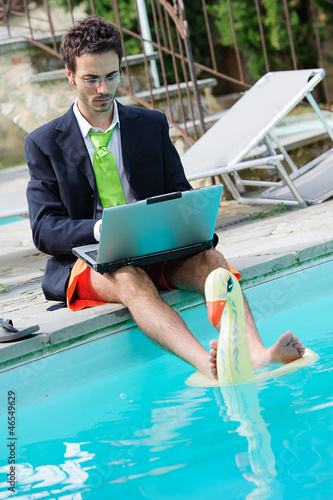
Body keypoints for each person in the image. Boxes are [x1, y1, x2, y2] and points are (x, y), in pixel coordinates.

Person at [25, 16, 305, 380]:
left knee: (210, 258)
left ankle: (257, 353)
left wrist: (190, 220)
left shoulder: (151, 124)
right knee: (126, 276)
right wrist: (99, 230)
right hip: (87, 261)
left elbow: (180, 191)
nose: (103, 89)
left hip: (154, 248)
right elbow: (44, 228)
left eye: (112, 77)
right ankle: (206, 363)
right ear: (69, 75)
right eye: (91, 78)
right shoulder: (43, 143)